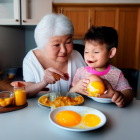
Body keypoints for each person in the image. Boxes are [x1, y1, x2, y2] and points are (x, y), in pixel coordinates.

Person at [23, 13, 86, 97]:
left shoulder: (77, 56)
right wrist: (44, 82)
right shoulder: (31, 59)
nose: (64, 50)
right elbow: (26, 92)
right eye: (56, 45)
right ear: (42, 44)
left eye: (68, 42)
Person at [69, 26, 134, 107]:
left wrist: (121, 96)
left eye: (96, 52)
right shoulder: (80, 72)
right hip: (86, 110)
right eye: (86, 51)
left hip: (111, 111)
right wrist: (75, 89)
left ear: (111, 53)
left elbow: (129, 93)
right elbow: (70, 93)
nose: (90, 56)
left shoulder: (116, 74)